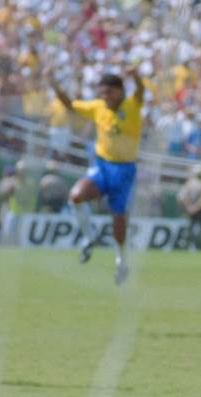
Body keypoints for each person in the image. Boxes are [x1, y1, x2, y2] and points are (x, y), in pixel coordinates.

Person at [51, 70, 145, 285]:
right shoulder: (97, 107)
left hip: (124, 170)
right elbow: (70, 105)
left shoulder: (131, 106)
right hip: (102, 166)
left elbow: (140, 92)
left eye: (109, 92)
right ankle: (88, 236)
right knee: (76, 196)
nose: (105, 97)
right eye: (102, 93)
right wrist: (55, 85)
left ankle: (121, 261)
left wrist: (137, 77)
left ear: (120, 91)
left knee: (118, 219)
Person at [176, 164, 201, 250]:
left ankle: (186, 246)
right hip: (200, 211)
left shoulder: (188, 183)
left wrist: (189, 207)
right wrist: (196, 207)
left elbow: (181, 197)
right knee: (200, 229)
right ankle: (199, 246)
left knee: (189, 229)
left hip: (189, 210)